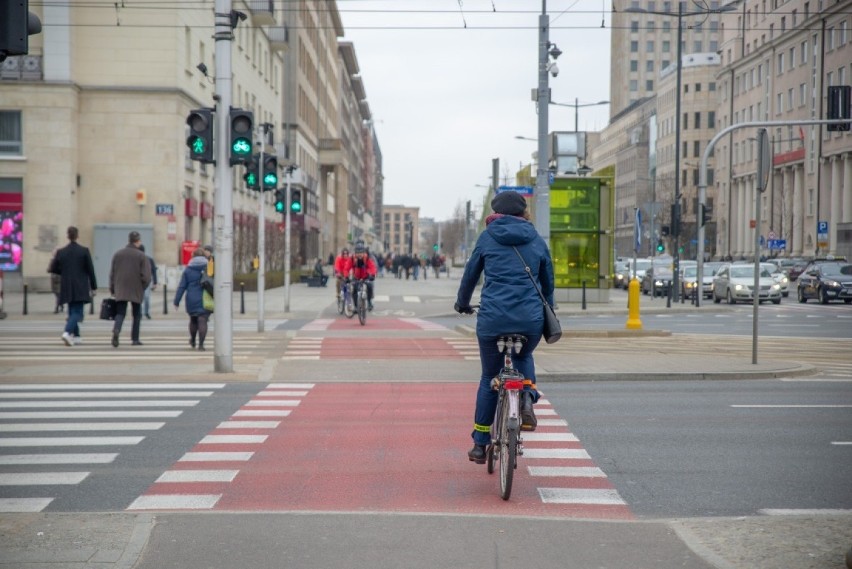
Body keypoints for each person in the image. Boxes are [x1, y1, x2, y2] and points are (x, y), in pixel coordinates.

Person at [454, 191, 554, 464]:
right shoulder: (535, 238)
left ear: (495, 212)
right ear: (524, 212)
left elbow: (470, 275)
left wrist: (462, 303)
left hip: (492, 319)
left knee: (489, 377)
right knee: (524, 356)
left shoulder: (487, 237)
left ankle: (480, 441)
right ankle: (527, 398)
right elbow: (548, 281)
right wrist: (549, 309)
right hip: (529, 319)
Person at [49, 226, 97, 346]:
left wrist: (64, 272)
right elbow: (90, 270)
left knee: (71, 311)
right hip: (80, 284)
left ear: (68, 236)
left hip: (66, 284)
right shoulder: (84, 251)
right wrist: (94, 286)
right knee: (78, 313)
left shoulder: (61, 252)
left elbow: (53, 268)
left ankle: (77, 336)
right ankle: (67, 332)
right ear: (77, 236)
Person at [109, 231, 152, 347]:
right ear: (137, 241)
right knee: (137, 314)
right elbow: (147, 276)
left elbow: (112, 274)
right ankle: (135, 338)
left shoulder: (118, 254)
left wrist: (113, 288)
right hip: (136, 288)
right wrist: (143, 287)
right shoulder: (141, 256)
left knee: (120, 313)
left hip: (121, 288)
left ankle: (117, 329)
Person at [174, 248, 212, 350]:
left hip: (191, 298)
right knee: (203, 319)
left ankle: (193, 341)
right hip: (206, 297)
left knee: (193, 320)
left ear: (193, 256)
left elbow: (182, 286)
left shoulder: (188, 269)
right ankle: (201, 344)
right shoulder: (209, 268)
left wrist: (176, 301)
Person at [350, 242, 377, 310]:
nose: (359, 254)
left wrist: (372, 275)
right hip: (356, 277)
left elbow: (372, 267)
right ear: (355, 253)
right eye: (358, 253)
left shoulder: (367, 259)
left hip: (366, 276)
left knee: (370, 286)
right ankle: (356, 306)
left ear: (363, 253)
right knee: (354, 289)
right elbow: (346, 268)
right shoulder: (352, 259)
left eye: (361, 253)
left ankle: (369, 302)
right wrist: (346, 276)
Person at [139, 244, 158, 319]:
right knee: (139, 298)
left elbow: (154, 271)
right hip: (138, 281)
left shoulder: (149, 259)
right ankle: (139, 312)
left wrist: (155, 282)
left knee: (146, 297)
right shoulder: (136, 260)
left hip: (147, 281)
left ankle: (146, 312)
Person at [48, 248, 64, 313]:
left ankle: (57, 307)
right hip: (55, 279)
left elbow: (50, 269)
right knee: (57, 293)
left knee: (58, 293)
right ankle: (61, 304)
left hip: (58, 278)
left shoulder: (56, 260)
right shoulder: (54, 260)